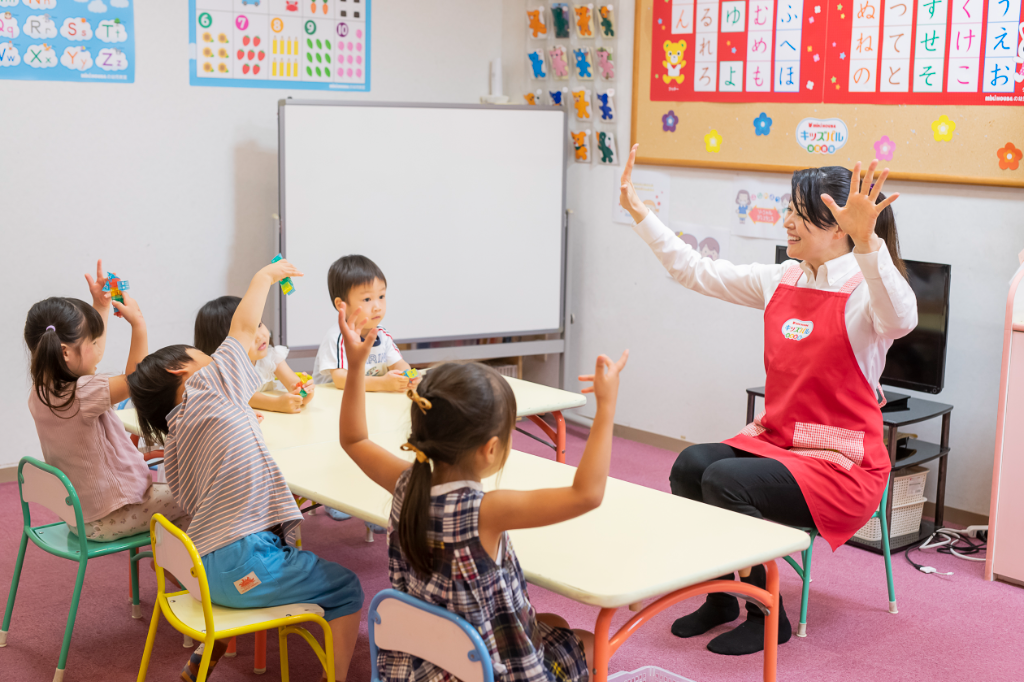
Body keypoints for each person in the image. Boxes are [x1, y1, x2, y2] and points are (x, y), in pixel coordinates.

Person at [620, 145, 917, 656]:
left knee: (723, 480)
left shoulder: (866, 291)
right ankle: (720, 596)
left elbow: (901, 319)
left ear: (839, 227)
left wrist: (869, 244)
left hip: (842, 463)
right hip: (779, 443)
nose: (787, 224)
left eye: (799, 216)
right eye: (789, 212)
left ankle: (766, 611)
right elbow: (696, 270)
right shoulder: (783, 278)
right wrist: (640, 213)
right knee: (691, 464)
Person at [338, 300, 629, 682]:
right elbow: (587, 494)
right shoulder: (486, 511)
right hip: (483, 670)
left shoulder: (406, 483)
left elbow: (354, 440)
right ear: (490, 449)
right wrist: (605, 409)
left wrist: (356, 365)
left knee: (552, 622)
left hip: (422, 665)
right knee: (590, 644)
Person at [127, 260, 362, 682]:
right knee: (347, 586)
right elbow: (240, 328)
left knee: (264, 538)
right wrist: (264, 278)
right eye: (204, 356)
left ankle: (207, 652)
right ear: (182, 372)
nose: (215, 358)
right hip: (243, 567)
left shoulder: (177, 440)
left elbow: (215, 467)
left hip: (202, 572)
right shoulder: (208, 387)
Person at [25, 261, 186, 541]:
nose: (99, 351)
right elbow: (136, 378)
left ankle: (174, 560)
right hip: (112, 514)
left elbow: (88, 351)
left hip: (82, 515)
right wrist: (139, 324)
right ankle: (181, 568)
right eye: (94, 342)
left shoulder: (42, 390)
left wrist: (99, 306)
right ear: (65, 352)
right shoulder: (83, 393)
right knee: (200, 497)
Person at [194, 295, 314, 414]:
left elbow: (293, 383)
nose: (260, 336)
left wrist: (303, 392)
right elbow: (245, 395)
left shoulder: (271, 356)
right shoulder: (224, 370)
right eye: (248, 333)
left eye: (259, 325)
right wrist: (275, 404)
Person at [312, 255, 416, 390]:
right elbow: (341, 380)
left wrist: (407, 375)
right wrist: (383, 384)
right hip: (336, 401)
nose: (377, 306)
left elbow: (398, 363)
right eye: (367, 299)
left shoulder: (382, 333)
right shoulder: (337, 337)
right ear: (341, 304)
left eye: (381, 296)